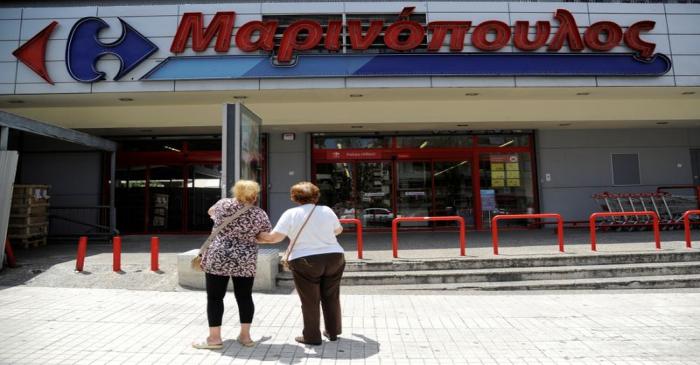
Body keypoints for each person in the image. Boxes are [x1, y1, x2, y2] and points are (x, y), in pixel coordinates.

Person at [257, 181, 345, 346]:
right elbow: (338, 230)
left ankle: (312, 337)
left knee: (310, 300)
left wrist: (255, 236)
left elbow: (274, 238)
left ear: (294, 197)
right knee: (331, 296)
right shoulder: (326, 210)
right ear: (316, 195)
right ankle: (333, 332)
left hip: (306, 260)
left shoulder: (291, 213)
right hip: (335, 256)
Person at [193, 180, 272, 350]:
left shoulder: (223, 204)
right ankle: (245, 337)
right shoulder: (259, 214)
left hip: (218, 256)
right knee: (244, 297)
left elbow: (210, 211)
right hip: (245, 258)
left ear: (236, 192)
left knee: (215, 298)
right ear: (255, 194)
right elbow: (265, 236)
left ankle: (214, 339)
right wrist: (249, 237)